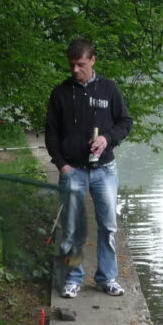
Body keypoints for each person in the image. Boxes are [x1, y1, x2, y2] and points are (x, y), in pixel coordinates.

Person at [44, 38, 133, 298]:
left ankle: (107, 278)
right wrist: (61, 165)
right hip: (73, 171)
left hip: (105, 170)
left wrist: (107, 138)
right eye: (72, 64)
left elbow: (125, 122)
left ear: (92, 61)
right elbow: (51, 133)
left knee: (108, 226)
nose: (75, 70)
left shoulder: (108, 89)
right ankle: (73, 278)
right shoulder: (60, 93)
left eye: (81, 64)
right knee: (71, 229)